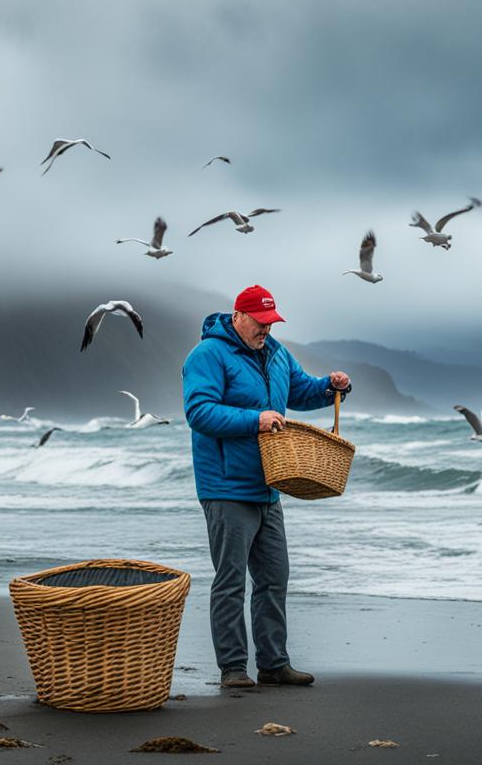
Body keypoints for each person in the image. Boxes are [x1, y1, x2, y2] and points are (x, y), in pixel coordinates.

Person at [181, 284, 351, 689]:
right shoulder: (207, 355)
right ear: (238, 316)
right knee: (231, 579)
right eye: (260, 323)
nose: (266, 330)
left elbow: (301, 390)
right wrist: (254, 420)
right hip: (224, 485)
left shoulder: (276, 353)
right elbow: (199, 412)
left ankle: (274, 664)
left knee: (275, 578)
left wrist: (331, 387)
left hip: (269, 483)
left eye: (271, 323)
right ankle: (234, 669)